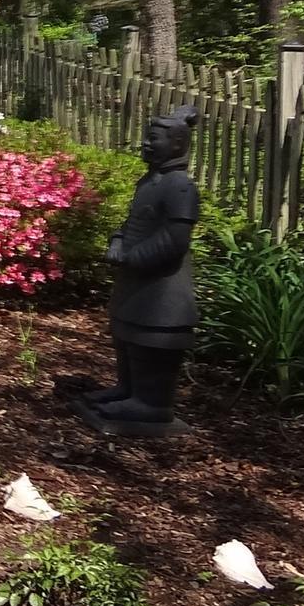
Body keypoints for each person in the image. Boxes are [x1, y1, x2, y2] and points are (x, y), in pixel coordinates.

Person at [79, 105, 200, 437]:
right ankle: (129, 390)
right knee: (128, 334)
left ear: (177, 145)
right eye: (147, 137)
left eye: (154, 139)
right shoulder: (150, 180)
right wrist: (118, 241)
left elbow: (175, 238)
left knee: (153, 338)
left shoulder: (179, 186)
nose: (146, 144)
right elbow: (133, 222)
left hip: (163, 287)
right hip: (137, 279)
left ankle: (152, 402)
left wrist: (134, 257)